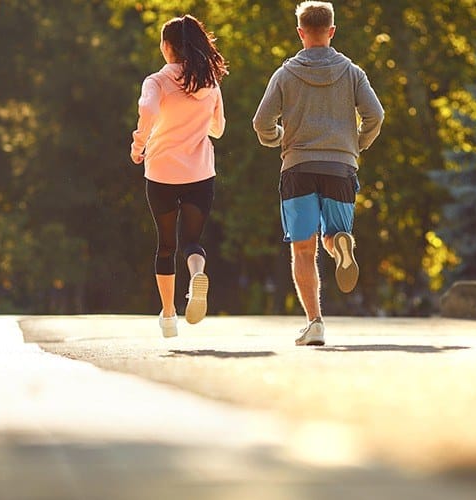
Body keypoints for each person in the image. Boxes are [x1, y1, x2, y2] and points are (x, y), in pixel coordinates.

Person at [253, 1, 384, 346]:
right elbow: (376, 115)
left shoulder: (284, 75)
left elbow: (260, 122)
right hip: (340, 165)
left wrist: (278, 139)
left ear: (300, 33)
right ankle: (340, 244)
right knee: (335, 233)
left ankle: (315, 323)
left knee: (302, 248)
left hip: (298, 166)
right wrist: (355, 144)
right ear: (331, 31)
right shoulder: (353, 72)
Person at [131, 15, 227, 338]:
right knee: (191, 242)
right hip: (200, 174)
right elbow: (218, 129)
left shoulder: (156, 81)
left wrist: (139, 144)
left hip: (161, 173)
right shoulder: (209, 82)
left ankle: (169, 315)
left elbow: (148, 110)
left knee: (166, 245)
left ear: (167, 46)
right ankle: (197, 275)